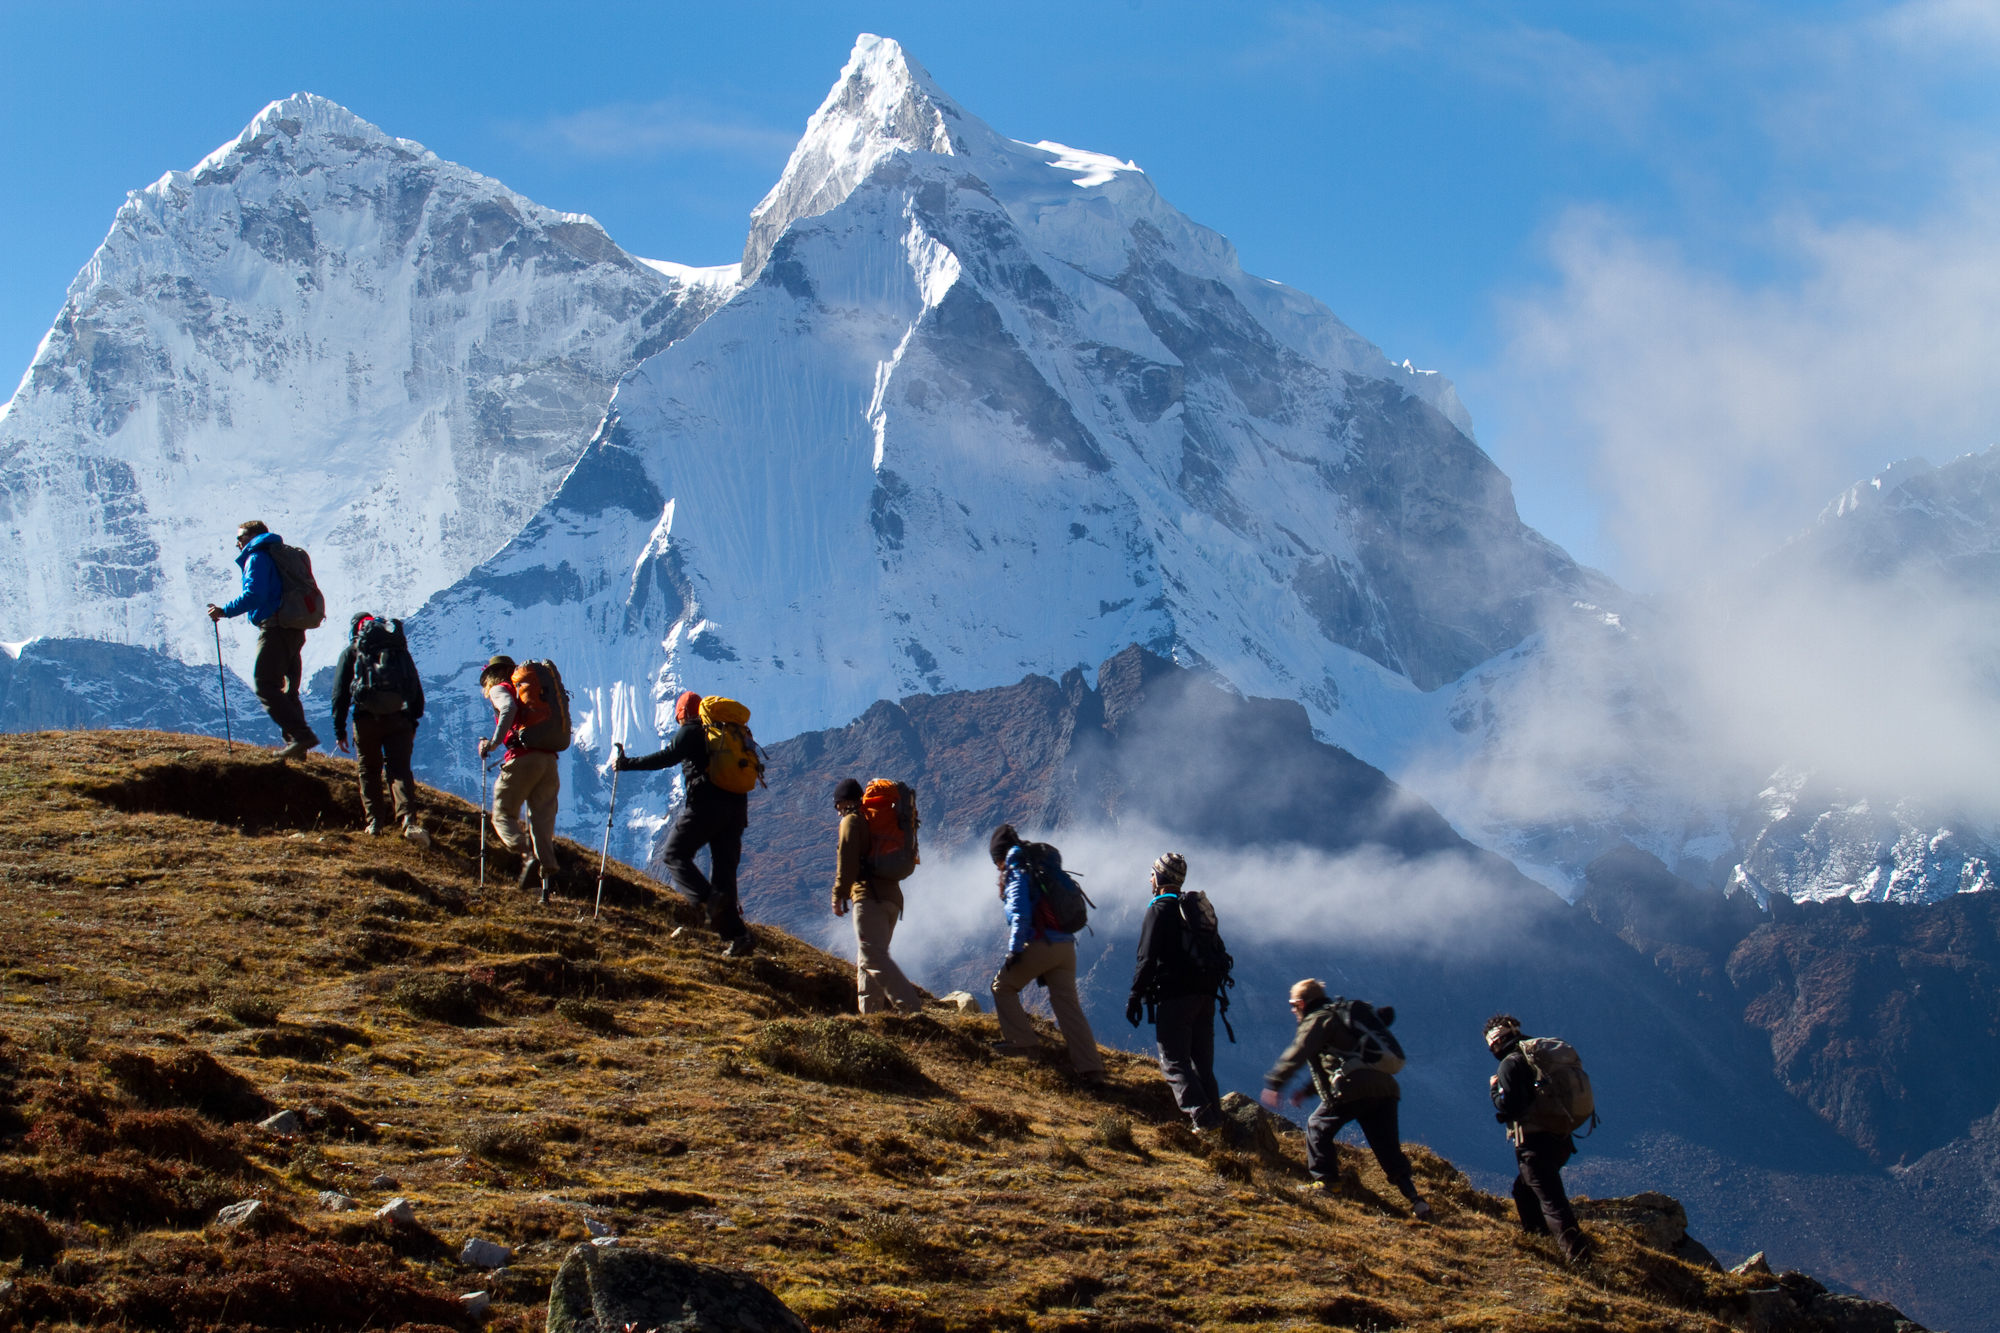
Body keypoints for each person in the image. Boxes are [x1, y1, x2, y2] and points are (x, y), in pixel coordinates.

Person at [1262, 979, 1430, 1220]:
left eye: (1292, 1004)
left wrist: (1275, 1082)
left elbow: (1300, 1051)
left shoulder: (1317, 1019)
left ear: (1301, 1002)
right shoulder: (1342, 1017)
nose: (1291, 1010)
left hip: (1352, 1087)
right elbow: (1340, 1061)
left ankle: (1327, 1183)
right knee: (1387, 1148)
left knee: (1317, 1126)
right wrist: (1307, 1091)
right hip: (1385, 1088)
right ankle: (1416, 1200)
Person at [615, 690, 754, 957]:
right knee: (724, 873)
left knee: (674, 854)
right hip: (737, 809)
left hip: (705, 805)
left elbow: (667, 757)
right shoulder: (727, 732)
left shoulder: (690, 730)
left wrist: (626, 764)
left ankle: (707, 899)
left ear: (682, 714)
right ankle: (739, 937)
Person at [988, 824, 1105, 1083]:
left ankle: (1022, 1043)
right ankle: (1091, 1068)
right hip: (1066, 946)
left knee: (1002, 986)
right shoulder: (1041, 863)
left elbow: (1020, 913)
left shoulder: (1017, 867)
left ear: (1000, 855)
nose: (997, 867)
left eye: (996, 861)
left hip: (1042, 943)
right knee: (1068, 1005)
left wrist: (1014, 951)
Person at [1126, 852, 1223, 1131]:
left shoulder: (1159, 909)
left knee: (1173, 1061)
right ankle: (1217, 1123)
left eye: (1152, 873)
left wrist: (1135, 996)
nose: (1149, 878)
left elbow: (1146, 959)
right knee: (1202, 1065)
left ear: (1158, 877)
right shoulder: (1191, 911)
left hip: (1175, 996)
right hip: (1206, 995)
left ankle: (1203, 1120)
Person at [1485, 1013, 1594, 1263]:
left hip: (1534, 1144)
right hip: (1560, 1138)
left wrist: (1494, 1090)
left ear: (1496, 1042)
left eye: (1492, 1044)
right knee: (1523, 1191)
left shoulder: (1510, 1064)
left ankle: (1579, 1259)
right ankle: (1541, 1244)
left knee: (1552, 1202)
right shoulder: (1538, 1057)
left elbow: (1511, 1106)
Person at [206, 519, 317, 760]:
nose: (237, 543)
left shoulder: (256, 556)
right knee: (289, 689)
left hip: (275, 627)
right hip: (294, 628)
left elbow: (254, 595)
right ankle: (297, 750)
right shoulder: (280, 554)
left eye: (240, 538)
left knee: (265, 684)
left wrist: (223, 610)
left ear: (251, 537)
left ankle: (300, 736)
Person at [330, 613, 428, 845]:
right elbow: (414, 685)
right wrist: (413, 720)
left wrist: (339, 730)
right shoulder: (397, 650)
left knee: (369, 770)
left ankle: (375, 822)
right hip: (399, 718)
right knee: (399, 770)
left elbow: (339, 694)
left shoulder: (352, 652)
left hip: (365, 720)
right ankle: (408, 821)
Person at [830, 778, 924, 1013]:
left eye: (837, 806)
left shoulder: (852, 821)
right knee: (867, 958)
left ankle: (911, 1009)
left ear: (843, 802)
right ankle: (871, 1016)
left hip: (869, 898)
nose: (838, 811)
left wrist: (839, 894)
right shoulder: (874, 822)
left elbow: (847, 861)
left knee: (872, 956)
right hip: (891, 900)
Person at [477, 655, 559, 902]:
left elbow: (508, 709)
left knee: (502, 815)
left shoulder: (501, 689)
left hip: (523, 758)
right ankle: (545, 889)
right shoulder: (534, 694)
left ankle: (527, 857)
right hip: (549, 762)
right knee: (541, 826)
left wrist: (492, 744)